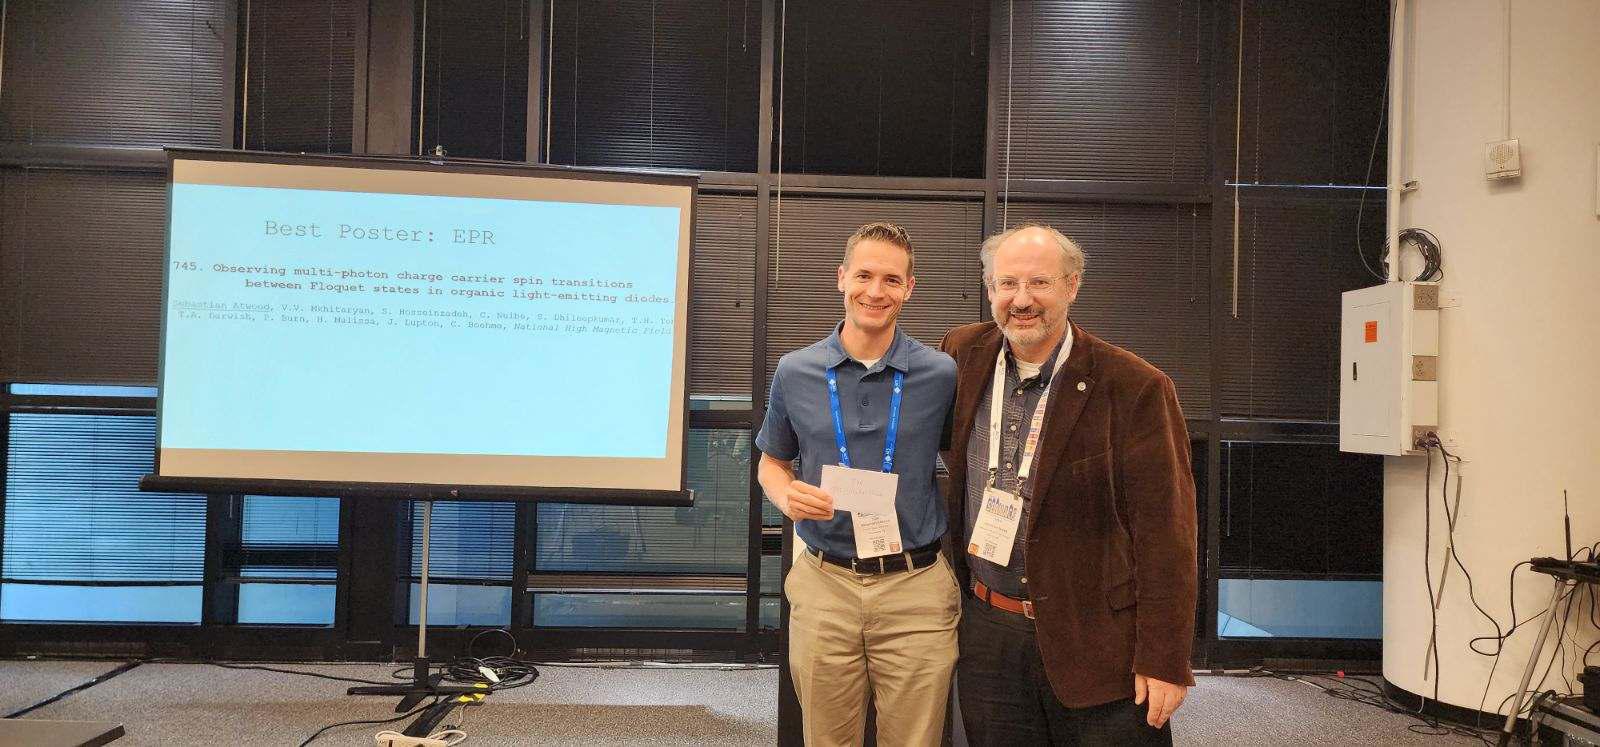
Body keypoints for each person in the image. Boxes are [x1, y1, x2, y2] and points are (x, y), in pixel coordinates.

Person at [941, 223, 1197, 745]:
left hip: (1097, 639)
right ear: (989, 288)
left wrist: (1165, 658)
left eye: (1039, 283)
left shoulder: (1134, 387)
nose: (1021, 300)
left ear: (1072, 286)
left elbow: (1167, 534)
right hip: (990, 632)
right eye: (1007, 283)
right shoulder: (963, 353)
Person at [756, 221, 959, 746]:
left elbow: (965, 459)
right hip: (826, 584)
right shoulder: (795, 371)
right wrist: (785, 495)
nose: (875, 291)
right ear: (841, 278)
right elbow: (771, 463)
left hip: (916, 587)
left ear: (909, 288)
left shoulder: (940, 374)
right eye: (864, 275)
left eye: (891, 279)